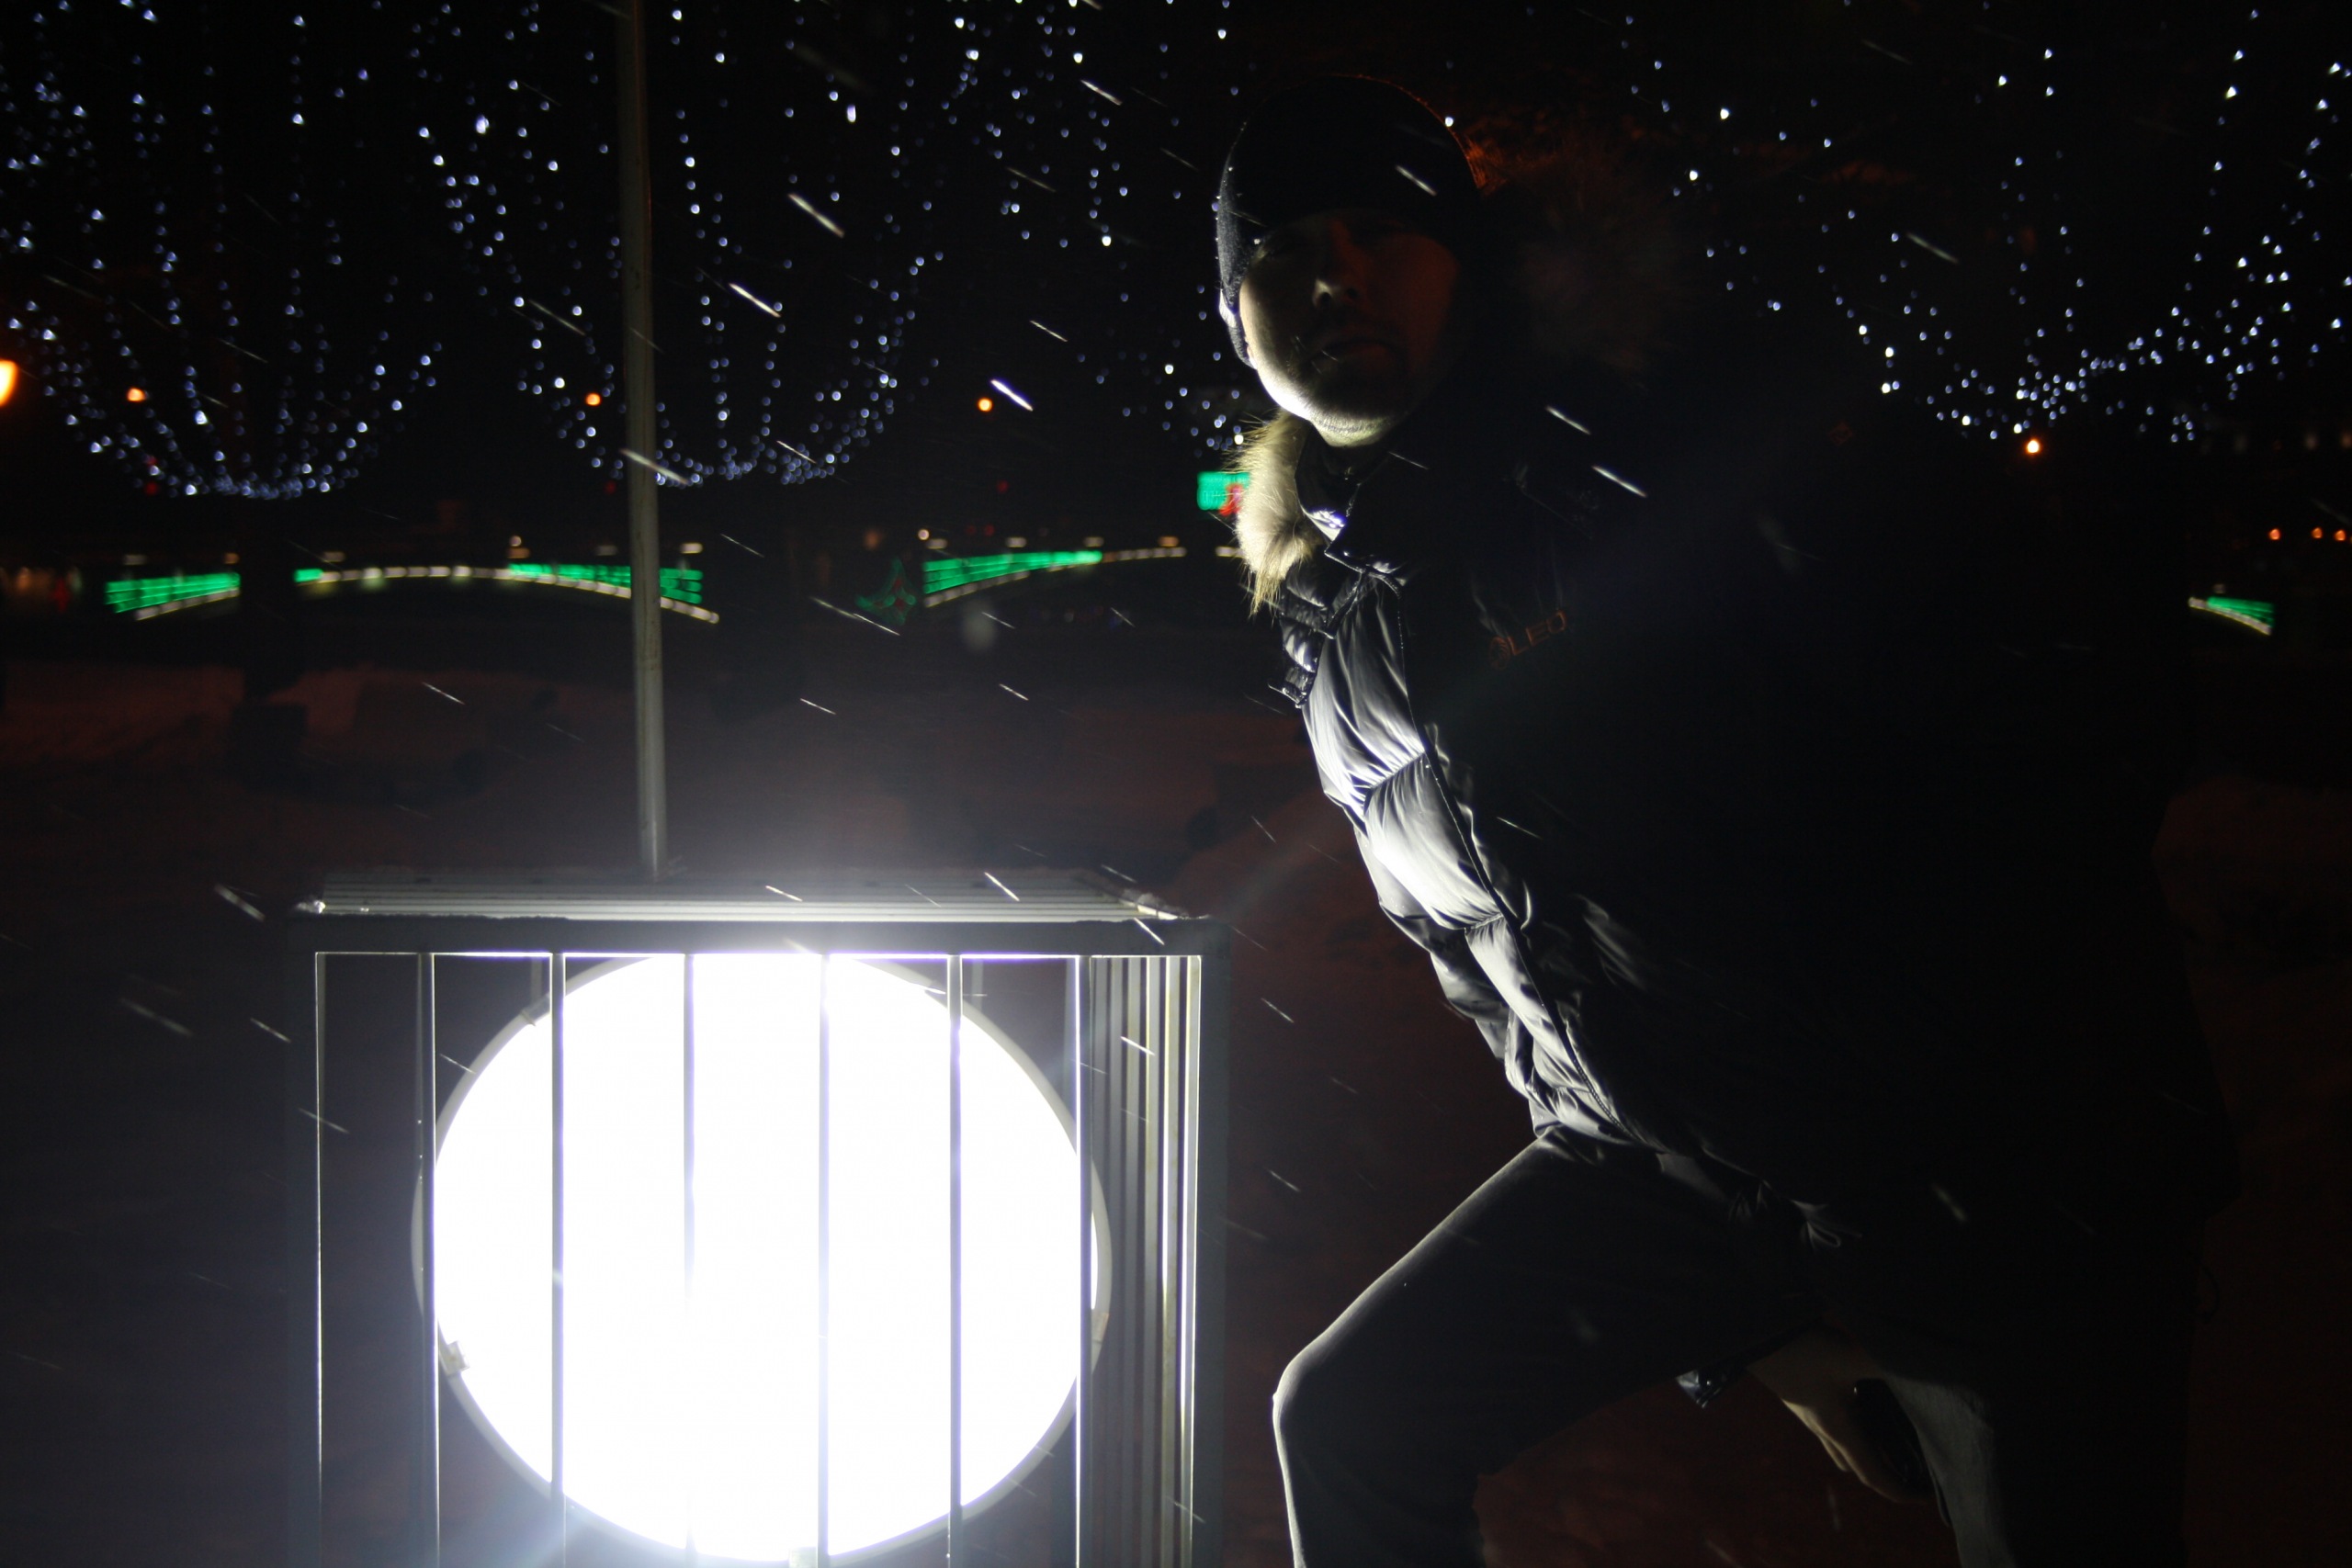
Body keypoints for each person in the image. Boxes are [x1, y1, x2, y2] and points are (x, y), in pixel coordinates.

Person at [1209, 76, 2235, 1567]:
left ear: (1469, 257)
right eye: (1286, 248)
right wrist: (1755, 1316)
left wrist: (1918, 1155)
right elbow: (1489, 968)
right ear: (1233, 315)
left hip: (1999, 1158)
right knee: (1357, 1421)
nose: (1335, 276)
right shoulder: (1336, 615)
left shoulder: (1662, 439)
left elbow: (2057, 740)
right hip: (1688, 1172)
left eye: (1381, 230)